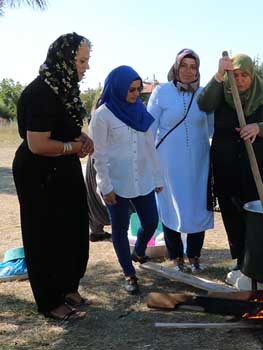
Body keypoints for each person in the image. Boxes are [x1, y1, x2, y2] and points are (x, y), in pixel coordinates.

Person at [12, 33, 94, 321]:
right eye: (81, 61)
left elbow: (64, 127)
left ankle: (68, 288)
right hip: (39, 173)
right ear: (64, 60)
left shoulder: (64, 90)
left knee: (72, 230)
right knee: (45, 236)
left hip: (63, 169)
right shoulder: (40, 94)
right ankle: (50, 302)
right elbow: (38, 144)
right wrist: (73, 147)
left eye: (87, 61)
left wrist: (81, 137)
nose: (86, 67)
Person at [198, 53, 263, 271]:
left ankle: (258, 256)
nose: (240, 79)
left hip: (257, 165)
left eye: (245, 75)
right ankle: (240, 258)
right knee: (230, 210)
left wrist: (257, 127)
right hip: (226, 164)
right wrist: (219, 75)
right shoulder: (223, 91)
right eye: (236, 75)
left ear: (252, 75)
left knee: (254, 209)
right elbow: (203, 103)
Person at [90, 65, 164, 294]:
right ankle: (128, 273)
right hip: (116, 182)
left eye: (138, 90)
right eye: (131, 90)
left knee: (151, 221)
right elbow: (98, 154)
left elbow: (150, 146)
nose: (135, 94)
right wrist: (105, 186)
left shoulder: (139, 110)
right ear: (118, 87)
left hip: (142, 179)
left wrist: (157, 176)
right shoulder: (102, 115)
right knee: (119, 230)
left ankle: (139, 251)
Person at [147, 49, 214, 273]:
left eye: (193, 66)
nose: (188, 71)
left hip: (198, 162)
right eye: (183, 65)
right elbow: (150, 129)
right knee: (170, 206)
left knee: (197, 207)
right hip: (168, 163)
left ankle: (194, 255)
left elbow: (212, 127)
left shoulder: (204, 95)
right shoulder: (162, 92)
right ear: (176, 67)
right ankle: (175, 256)